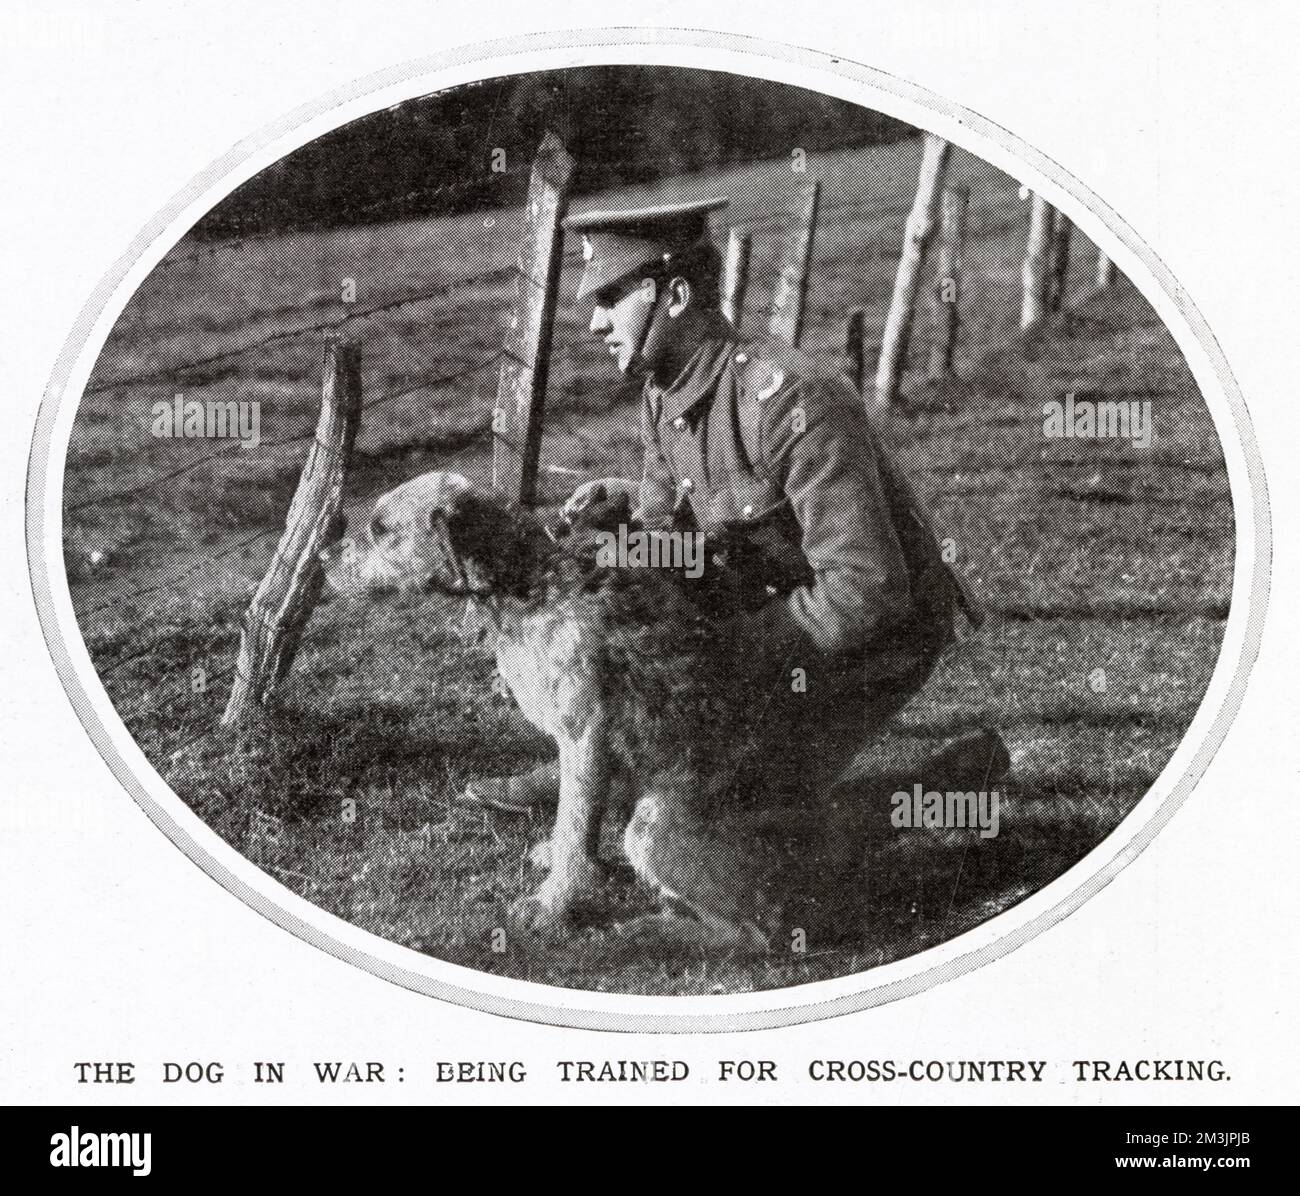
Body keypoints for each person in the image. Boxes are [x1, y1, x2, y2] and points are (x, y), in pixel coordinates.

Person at [464, 195, 992, 820]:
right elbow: (674, 549)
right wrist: (621, 526)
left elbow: (869, 591)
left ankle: (953, 782)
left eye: (610, 299)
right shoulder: (666, 392)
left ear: (677, 297)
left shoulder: (790, 401)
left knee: (737, 823)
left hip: (878, 632)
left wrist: (726, 656)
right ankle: (598, 763)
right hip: (780, 598)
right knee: (696, 765)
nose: (595, 323)